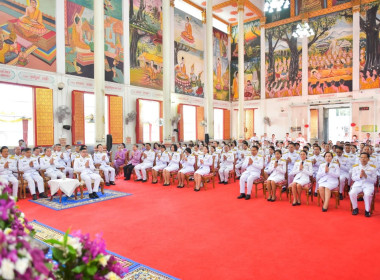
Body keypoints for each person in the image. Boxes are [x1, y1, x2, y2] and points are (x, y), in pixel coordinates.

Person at [349, 152, 377, 217]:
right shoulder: (355, 167)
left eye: (365, 158)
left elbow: (374, 180)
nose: (363, 159)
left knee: (367, 195)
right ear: (359, 159)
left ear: (368, 159)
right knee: (352, 193)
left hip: (368, 185)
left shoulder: (372, 168)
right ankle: (355, 208)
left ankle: (367, 210)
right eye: (362, 157)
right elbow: (353, 178)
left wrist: (366, 176)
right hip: (358, 184)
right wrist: (360, 176)